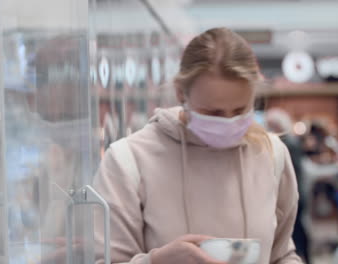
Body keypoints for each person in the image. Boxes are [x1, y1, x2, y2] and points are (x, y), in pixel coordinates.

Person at [94, 28, 302, 264]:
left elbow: (281, 254)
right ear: (181, 93)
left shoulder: (270, 154)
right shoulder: (129, 160)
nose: (228, 121)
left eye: (240, 110)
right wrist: (157, 261)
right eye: (213, 112)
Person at [266, 108, 310, 264]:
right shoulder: (288, 141)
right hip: (296, 190)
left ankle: (305, 256)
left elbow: (292, 171)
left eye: (271, 124)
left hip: (294, 192)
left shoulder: (285, 143)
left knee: (294, 230)